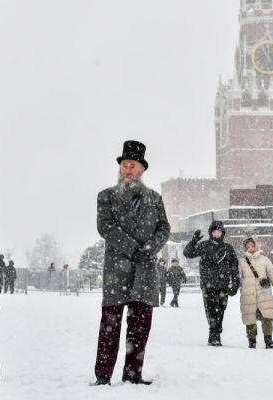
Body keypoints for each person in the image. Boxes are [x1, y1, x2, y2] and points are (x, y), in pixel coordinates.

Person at [93, 140, 170, 386]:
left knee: (139, 329)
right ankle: (103, 376)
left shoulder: (155, 199)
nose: (127, 169)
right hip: (117, 272)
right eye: (124, 165)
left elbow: (164, 227)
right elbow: (105, 226)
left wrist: (149, 249)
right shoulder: (106, 196)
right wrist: (133, 248)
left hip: (145, 272)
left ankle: (133, 374)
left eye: (132, 165)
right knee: (110, 328)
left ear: (142, 169)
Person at [183, 220, 239, 347]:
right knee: (211, 310)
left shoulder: (228, 249)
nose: (217, 234)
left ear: (222, 233)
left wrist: (235, 284)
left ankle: (216, 331)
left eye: (219, 232)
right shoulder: (204, 246)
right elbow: (187, 253)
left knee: (221, 310)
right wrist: (193, 241)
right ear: (210, 233)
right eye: (214, 232)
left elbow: (234, 268)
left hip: (223, 285)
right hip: (208, 285)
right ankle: (214, 335)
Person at [239, 237, 273, 349]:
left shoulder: (265, 260)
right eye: (248, 247)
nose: (250, 248)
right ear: (245, 248)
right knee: (250, 319)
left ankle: (268, 339)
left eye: (252, 246)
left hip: (264, 294)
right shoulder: (241, 262)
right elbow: (237, 279)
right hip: (248, 295)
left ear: (256, 246)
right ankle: (252, 340)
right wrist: (230, 288)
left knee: (267, 317)